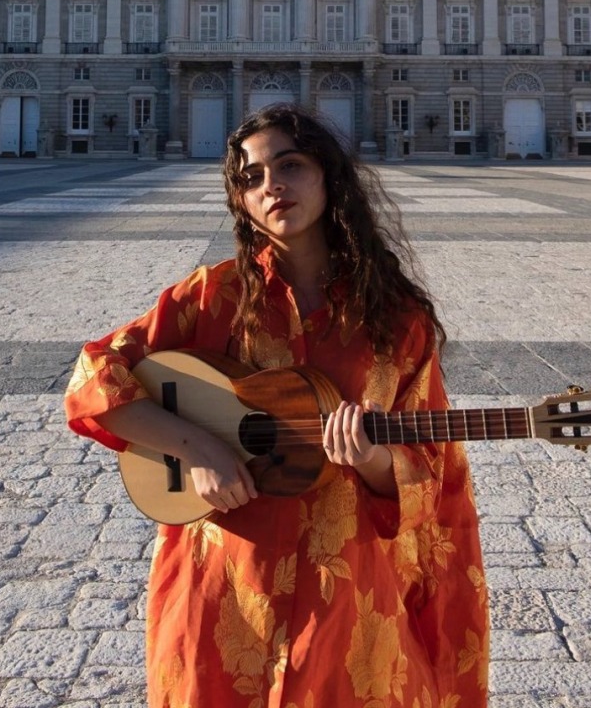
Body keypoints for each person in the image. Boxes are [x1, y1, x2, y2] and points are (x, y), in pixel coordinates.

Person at [65, 104, 488, 708]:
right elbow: (94, 374)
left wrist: (370, 459)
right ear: (239, 200)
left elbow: (432, 471)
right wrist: (197, 446)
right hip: (225, 577)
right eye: (251, 177)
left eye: (289, 166)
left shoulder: (397, 320)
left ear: (328, 176)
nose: (272, 187)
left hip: (344, 590)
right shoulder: (210, 298)